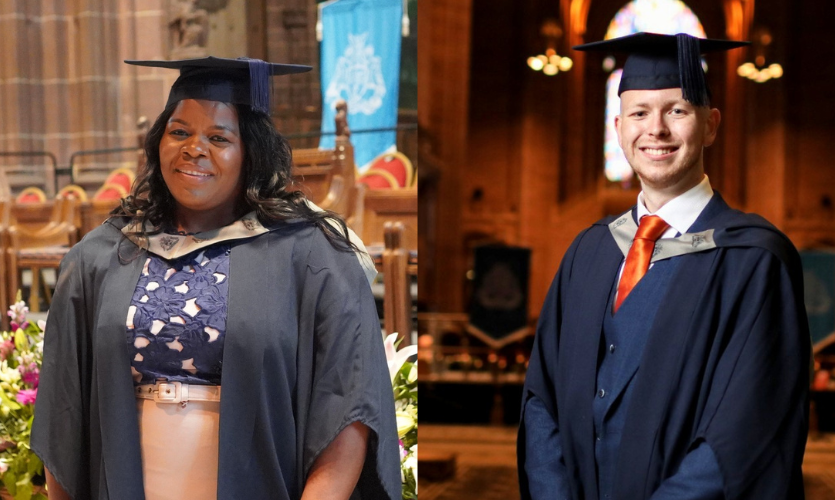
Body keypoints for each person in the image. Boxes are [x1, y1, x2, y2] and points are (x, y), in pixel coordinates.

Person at [31, 56, 401, 499]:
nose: (194, 148)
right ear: (158, 143)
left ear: (251, 152)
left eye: (219, 137)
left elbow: (348, 408)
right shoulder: (101, 255)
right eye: (180, 132)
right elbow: (63, 415)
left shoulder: (311, 256)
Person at [518, 33, 810, 500]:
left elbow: (746, 431)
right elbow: (542, 398)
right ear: (617, 128)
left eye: (676, 110)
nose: (655, 129)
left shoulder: (753, 261)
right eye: (639, 113)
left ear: (710, 125)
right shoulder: (588, 252)